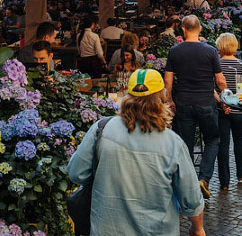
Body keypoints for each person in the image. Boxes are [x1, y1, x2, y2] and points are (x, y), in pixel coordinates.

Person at [68, 69, 205, 236]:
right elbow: (191, 199)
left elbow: (77, 174)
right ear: (161, 98)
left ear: (127, 95)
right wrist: (197, 229)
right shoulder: (173, 143)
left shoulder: (102, 129)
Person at [163, 15, 227, 199]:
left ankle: (189, 183)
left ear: (182, 30)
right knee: (213, 140)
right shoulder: (210, 51)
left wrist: (169, 100)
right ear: (199, 29)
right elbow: (220, 81)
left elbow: (168, 80)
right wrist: (225, 97)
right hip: (206, 102)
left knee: (185, 144)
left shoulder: (174, 51)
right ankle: (204, 178)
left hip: (183, 101)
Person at [215, 33, 242, 190]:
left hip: (220, 110)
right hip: (239, 110)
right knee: (239, 140)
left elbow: (212, 88)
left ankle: (224, 182)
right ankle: (241, 172)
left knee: (222, 145)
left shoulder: (216, 65)